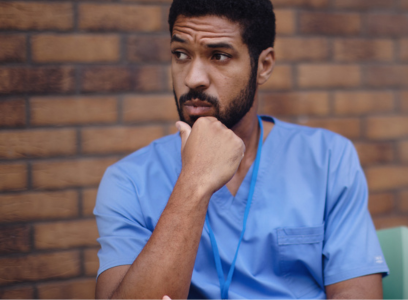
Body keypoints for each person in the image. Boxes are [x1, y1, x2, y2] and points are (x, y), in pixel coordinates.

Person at [93, 0, 389, 298]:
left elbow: (356, 292)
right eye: (180, 54)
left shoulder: (327, 159)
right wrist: (194, 183)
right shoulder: (129, 180)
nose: (193, 78)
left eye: (218, 56)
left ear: (263, 65)